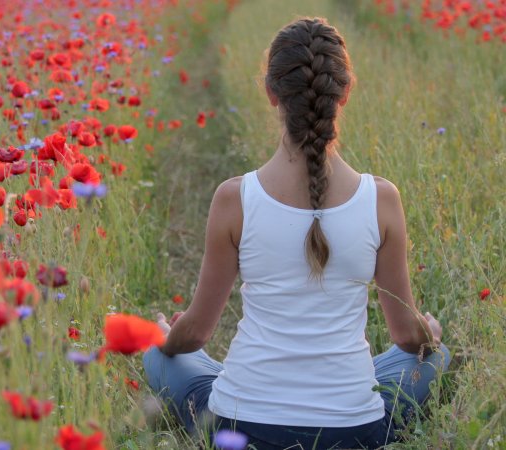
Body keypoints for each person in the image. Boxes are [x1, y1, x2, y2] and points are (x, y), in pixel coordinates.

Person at [142, 17, 451, 450]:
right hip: (354, 432)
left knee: (160, 355)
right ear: (344, 93)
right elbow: (405, 334)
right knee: (434, 358)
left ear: (271, 93)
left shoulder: (235, 198)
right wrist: (429, 334)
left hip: (240, 425)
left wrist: (167, 336)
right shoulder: (381, 199)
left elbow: (194, 333)